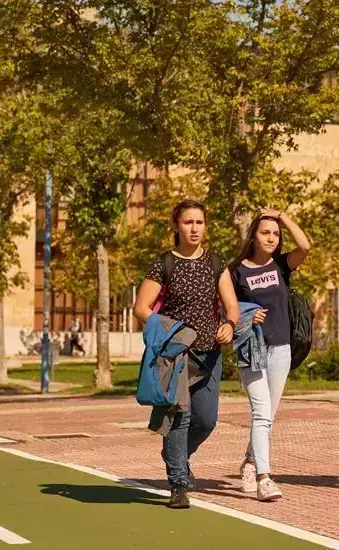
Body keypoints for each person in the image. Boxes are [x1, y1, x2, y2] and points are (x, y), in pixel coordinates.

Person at [132, 199, 239, 509]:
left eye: (199, 222)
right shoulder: (164, 263)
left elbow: (230, 304)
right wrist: (168, 331)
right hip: (176, 356)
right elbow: (141, 308)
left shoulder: (215, 263)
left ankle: (175, 455)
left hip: (210, 354)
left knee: (206, 421)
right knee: (181, 417)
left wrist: (230, 324)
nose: (194, 228)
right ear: (176, 226)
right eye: (188, 222)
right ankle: (178, 484)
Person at [229, 208, 310, 502]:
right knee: (262, 412)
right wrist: (247, 315)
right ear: (253, 235)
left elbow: (305, 246)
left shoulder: (280, 266)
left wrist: (282, 216)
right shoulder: (235, 271)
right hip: (251, 348)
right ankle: (264, 477)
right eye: (266, 232)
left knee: (268, 415)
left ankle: (250, 462)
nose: (272, 238)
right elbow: (226, 310)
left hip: (281, 348)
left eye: (276, 234)